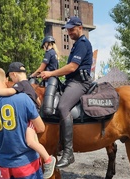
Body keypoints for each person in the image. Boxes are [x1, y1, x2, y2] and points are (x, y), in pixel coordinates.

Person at [0, 62, 56, 179]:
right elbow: (38, 100)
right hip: (34, 116)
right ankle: (39, 162)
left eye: (11, 78)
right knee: (34, 142)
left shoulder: (21, 85)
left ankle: (48, 159)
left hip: (30, 119)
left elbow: (9, 92)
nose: (11, 81)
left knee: (30, 142)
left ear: (14, 74)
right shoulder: (28, 85)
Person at [39, 16, 93, 168]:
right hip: (72, 82)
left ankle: (68, 153)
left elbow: (71, 68)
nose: (69, 32)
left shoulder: (82, 43)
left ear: (80, 27)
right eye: (67, 29)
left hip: (81, 83)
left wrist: (51, 73)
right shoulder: (76, 45)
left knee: (63, 107)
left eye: (72, 29)